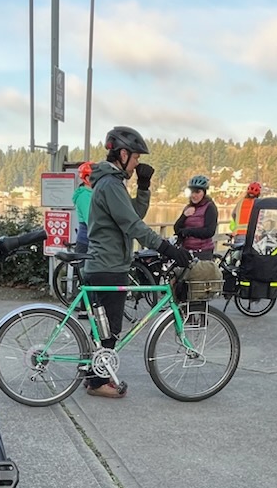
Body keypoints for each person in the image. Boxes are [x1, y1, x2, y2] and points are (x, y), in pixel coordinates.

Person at [81, 125, 189, 399]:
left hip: (107, 263)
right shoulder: (111, 184)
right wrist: (166, 247)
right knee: (110, 329)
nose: (138, 162)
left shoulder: (111, 183)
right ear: (124, 154)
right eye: (137, 158)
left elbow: (133, 215)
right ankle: (98, 384)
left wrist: (143, 187)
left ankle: (95, 377)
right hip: (108, 265)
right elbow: (133, 226)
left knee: (104, 328)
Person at [174, 175, 218, 259]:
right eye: (192, 192)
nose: (194, 195)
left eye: (197, 192)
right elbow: (177, 229)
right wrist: (184, 216)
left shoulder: (210, 207)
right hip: (186, 250)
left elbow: (209, 231)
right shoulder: (188, 207)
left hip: (203, 252)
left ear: (204, 193)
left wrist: (189, 231)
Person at [70, 161, 93, 252]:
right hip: (86, 242)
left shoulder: (92, 193)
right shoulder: (84, 196)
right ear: (87, 178)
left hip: (90, 240)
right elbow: (90, 220)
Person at [231, 181, 262, 246]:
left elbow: (233, 214)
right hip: (253, 234)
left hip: (239, 234)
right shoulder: (258, 204)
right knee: (251, 255)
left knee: (238, 254)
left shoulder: (240, 202)